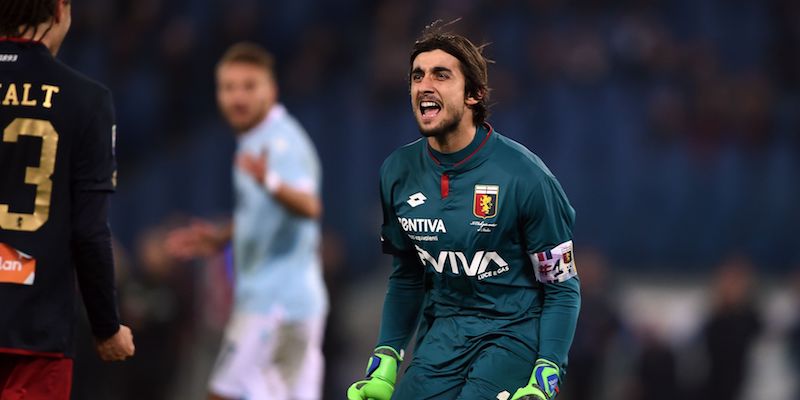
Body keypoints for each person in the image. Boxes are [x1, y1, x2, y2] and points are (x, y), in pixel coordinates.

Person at [347, 22, 581, 400]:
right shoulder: (397, 172)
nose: (425, 85)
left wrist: (547, 372)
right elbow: (407, 273)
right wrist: (386, 358)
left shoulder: (526, 177)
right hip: (442, 338)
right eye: (417, 76)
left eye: (441, 75)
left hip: (512, 335)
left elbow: (561, 286)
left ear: (474, 94)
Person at [165, 42, 327, 400]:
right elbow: (265, 214)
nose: (237, 98)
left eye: (249, 86)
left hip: (274, 303)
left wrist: (269, 180)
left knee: (221, 393)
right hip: (292, 301)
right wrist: (220, 238)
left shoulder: (281, 143)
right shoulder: (256, 140)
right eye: (228, 87)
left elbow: (309, 206)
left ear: (272, 90)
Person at [0, 0, 135, 399]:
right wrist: (106, 327)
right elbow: (89, 231)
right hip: (35, 334)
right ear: (60, 9)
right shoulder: (87, 99)